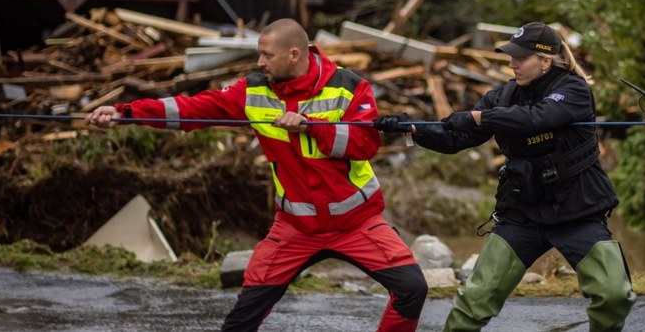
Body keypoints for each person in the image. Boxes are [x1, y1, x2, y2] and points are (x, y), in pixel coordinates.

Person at [85, 19, 427, 332]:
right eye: (259, 55)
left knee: (412, 289)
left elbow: (366, 144)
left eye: (267, 55)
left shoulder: (349, 88)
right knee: (242, 318)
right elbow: (192, 109)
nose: (260, 63)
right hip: (295, 226)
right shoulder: (252, 91)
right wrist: (123, 113)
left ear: (294, 54)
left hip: (356, 223)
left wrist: (311, 127)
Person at [374, 21, 636, 332]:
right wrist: (413, 129)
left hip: (577, 210)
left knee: (614, 295)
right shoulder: (501, 96)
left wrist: (478, 117)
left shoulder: (573, 90)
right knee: (473, 300)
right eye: (510, 56)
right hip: (523, 213)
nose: (512, 63)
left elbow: (539, 118)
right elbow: (455, 140)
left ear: (545, 61)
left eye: (520, 57)